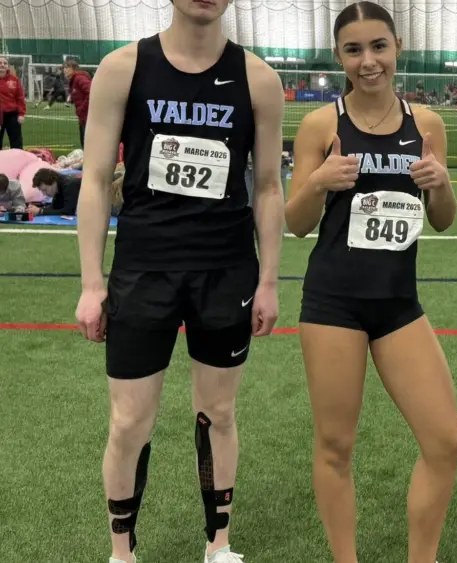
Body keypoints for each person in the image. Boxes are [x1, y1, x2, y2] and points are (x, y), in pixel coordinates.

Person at [72, 0, 286, 561]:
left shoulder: (258, 78)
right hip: (144, 270)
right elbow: (94, 181)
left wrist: (268, 282)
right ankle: (123, 554)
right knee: (128, 420)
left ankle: (218, 547)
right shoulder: (123, 68)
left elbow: (267, 186)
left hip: (226, 270)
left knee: (219, 412)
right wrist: (92, 283)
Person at [283, 2, 457, 562]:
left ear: (397, 47)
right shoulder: (320, 124)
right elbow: (295, 224)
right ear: (339, 56)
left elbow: (443, 219)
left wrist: (439, 184)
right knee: (336, 446)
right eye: (354, 50)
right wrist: (317, 182)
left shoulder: (426, 124)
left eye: (378, 47)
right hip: (333, 303)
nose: (368, 62)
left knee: (446, 440)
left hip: (398, 305)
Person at [63, 60, 93, 149]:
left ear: (74, 69)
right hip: (83, 117)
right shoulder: (74, 80)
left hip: (88, 117)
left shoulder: (79, 78)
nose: (64, 70)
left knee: (88, 145)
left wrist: (82, 109)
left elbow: (92, 92)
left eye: (67, 67)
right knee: (85, 144)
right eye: (64, 68)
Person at [0, 57, 26, 149]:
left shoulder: (14, 80)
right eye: (0, 63)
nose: (2, 65)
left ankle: (18, 162)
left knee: (16, 141)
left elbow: (20, 98)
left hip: (12, 115)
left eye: (5, 63)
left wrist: (21, 114)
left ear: (8, 67)